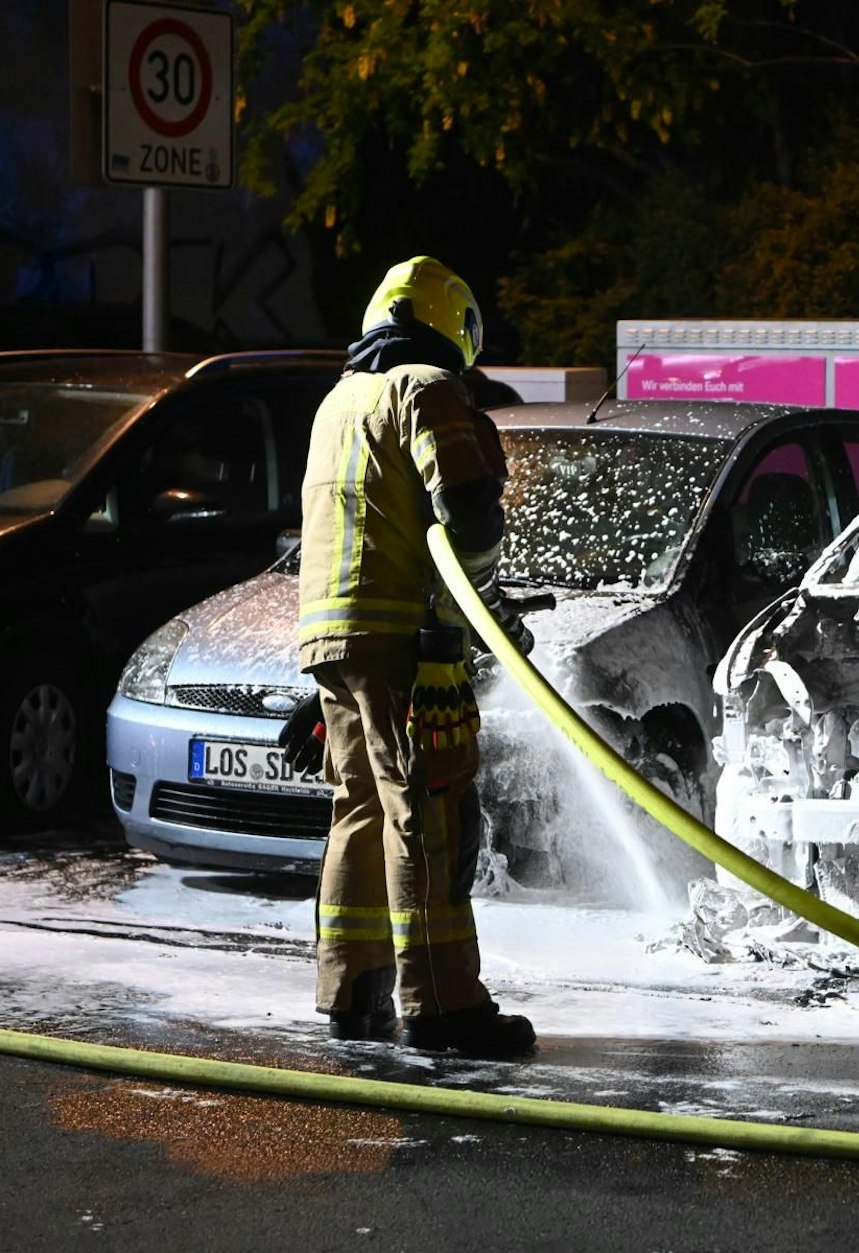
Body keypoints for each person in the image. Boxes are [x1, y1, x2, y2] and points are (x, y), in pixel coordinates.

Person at [279, 256, 538, 1059]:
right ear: (452, 324)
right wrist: (488, 613)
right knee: (426, 812)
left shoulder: (337, 402)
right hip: (403, 646)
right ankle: (442, 1002)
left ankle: (352, 993)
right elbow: (469, 520)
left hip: (333, 643)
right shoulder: (427, 386)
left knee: (356, 809)